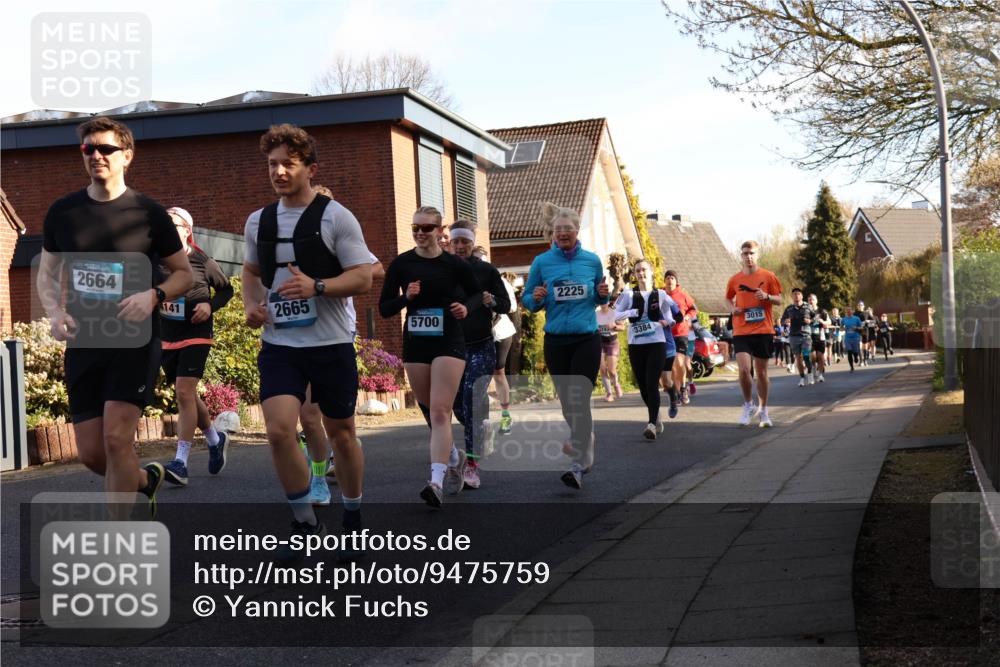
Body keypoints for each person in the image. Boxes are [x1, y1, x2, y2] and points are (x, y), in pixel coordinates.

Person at [36, 116, 194, 518]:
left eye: (106, 148)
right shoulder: (64, 213)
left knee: (116, 440)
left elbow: (183, 275)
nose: (96, 156)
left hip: (135, 341)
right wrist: (54, 312)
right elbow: (48, 275)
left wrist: (153, 296)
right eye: (89, 148)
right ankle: (143, 480)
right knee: (92, 454)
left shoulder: (148, 213)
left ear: (127, 155)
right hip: (85, 342)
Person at [242, 124, 372, 561]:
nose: (278, 171)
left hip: (330, 342)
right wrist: (252, 306)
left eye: (288, 164)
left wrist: (317, 286)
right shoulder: (258, 220)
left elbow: (363, 277)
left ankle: (352, 513)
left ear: (310, 168)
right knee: (279, 430)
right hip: (280, 344)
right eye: (272, 164)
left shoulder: (336, 216)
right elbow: (251, 271)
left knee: (342, 433)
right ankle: (304, 521)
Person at [379, 207, 482, 508]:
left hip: (449, 340)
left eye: (427, 228)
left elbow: (477, 295)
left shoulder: (455, 264)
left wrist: (466, 309)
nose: (421, 233)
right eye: (416, 228)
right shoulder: (402, 264)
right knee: (428, 409)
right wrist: (406, 299)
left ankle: (435, 481)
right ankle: (454, 457)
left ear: (440, 231)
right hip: (416, 342)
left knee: (440, 411)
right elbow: (385, 307)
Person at [522, 202, 609, 489]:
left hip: (586, 337)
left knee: (579, 397)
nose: (562, 234)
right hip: (556, 339)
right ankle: (586, 438)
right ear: (553, 233)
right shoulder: (542, 263)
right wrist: (535, 296)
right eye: (558, 230)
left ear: (576, 231)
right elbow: (529, 302)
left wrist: (601, 294)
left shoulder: (592, 261)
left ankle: (579, 463)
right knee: (567, 402)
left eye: (567, 230)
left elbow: (599, 298)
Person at [158, 207, 234, 486]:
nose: (165, 227)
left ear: (186, 230)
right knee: (188, 395)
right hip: (167, 336)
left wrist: (209, 305)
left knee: (183, 391)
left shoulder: (202, 261)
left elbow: (227, 290)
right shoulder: (154, 260)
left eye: (171, 223)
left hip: (197, 334)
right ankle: (215, 440)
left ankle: (181, 462)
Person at [447, 219, 510, 491]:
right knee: (458, 405)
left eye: (465, 241)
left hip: (481, 344)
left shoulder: (486, 270)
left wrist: (491, 301)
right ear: (450, 242)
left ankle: (472, 464)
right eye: (456, 241)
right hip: (452, 346)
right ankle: (481, 432)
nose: (461, 246)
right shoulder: (443, 270)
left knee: (472, 399)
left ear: (473, 242)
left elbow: (506, 305)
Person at [615, 260, 677, 439]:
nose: (641, 273)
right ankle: (656, 416)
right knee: (642, 385)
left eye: (644, 270)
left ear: (651, 272)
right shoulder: (628, 295)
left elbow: (670, 317)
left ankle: (650, 424)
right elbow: (615, 314)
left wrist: (667, 322)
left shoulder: (661, 294)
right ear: (635, 274)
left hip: (657, 342)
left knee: (651, 383)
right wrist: (631, 313)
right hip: (636, 344)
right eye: (637, 271)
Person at [725, 240, 782, 427]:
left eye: (752, 253)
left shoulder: (768, 276)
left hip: (763, 329)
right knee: (743, 370)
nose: (748, 256)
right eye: (745, 253)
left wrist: (766, 297)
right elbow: (727, 298)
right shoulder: (734, 279)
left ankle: (764, 410)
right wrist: (733, 309)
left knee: (762, 373)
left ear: (757, 255)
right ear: (741, 256)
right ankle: (748, 404)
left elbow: (779, 300)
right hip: (741, 330)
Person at [664, 270, 698, 405]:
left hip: (681, 333)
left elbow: (693, 309)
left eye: (672, 278)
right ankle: (677, 392)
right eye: (667, 278)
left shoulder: (683, 295)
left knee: (679, 362)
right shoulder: (661, 294)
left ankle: (684, 388)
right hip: (666, 334)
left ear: (676, 281)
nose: (670, 280)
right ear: (664, 280)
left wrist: (688, 316)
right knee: (672, 366)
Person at [493, 272, 518, 435]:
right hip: (474, 334)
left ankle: (505, 416)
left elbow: (512, 306)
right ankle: (476, 422)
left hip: (499, 331)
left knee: (498, 372)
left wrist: (494, 302)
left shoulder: (499, 281)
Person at [781, 288, 815, 387]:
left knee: (805, 355)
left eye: (798, 294)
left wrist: (810, 321)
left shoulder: (808, 306)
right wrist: (786, 321)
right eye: (794, 294)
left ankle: (810, 373)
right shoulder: (789, 308)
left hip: (805, 335)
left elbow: (815, 317)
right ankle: (802, 378)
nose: (796, 296)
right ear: (792, 296)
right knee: (798, 359)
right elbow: (782, 320)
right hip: (793, 336)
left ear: (802, 296)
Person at [596, 301, 625, 402]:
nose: (602, 303)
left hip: (612, 342)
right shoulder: (596, 314)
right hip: (599, 343)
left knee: (611, 370)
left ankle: (616, 385)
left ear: (608, 302)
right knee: (602, 369)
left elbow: (623, 327)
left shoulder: (615, 313)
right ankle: (609, 393)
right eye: (601, 300)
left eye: (605, 301)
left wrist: (614, 327)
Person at [807, 294, 830, 383]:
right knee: (812, 356)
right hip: (809, 337)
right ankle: (813, 368)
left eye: (812, 299)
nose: (811, 301)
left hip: (820, 337)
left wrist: (823, 321)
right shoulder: (806, 311)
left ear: (816, 301)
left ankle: (820, 374)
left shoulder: (822, 311)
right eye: (809, 300)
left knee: (820, 356)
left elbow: (829, 321)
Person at [842, 306, 864, 371]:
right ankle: (851, 367)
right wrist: (843, 328)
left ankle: (856, 357)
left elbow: (861, 328)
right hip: (848, 338)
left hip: (856, 337)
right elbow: (840, 328)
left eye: (849, 310)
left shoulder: (857, 318)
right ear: (846, 312)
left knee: (855, 352)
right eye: (847, 310)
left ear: (852, 311)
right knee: (849, 351)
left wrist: (856, 328)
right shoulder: (844, 319)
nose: (848, 312)